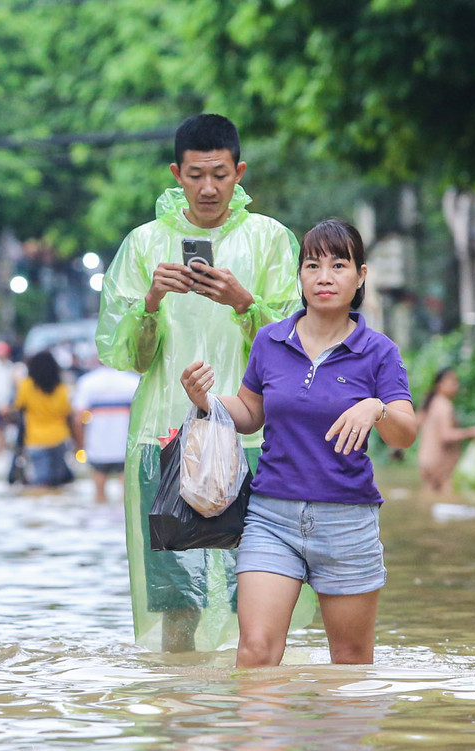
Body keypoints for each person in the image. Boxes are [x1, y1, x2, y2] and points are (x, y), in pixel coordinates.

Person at [96, 113, 304, 652]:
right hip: (165, 440)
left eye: (219, 173)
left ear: (239, 172)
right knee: (178, 605)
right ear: (176, 173)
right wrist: (150, 304)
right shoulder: (144, 245)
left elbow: (299, 347)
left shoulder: (272, 240)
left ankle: (248, 726)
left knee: (256, 596)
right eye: (195, 175)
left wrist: (245, 304)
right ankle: (181, 718)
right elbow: (129, 357)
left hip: (255, 439)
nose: (208, 187)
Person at [180, 218, 417, 667]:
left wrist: (376, 408)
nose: (324, 276)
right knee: (255, 652)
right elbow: (251, 415)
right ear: (300, 276)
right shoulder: (270, 341)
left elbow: (406, 430)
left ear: (361, 275)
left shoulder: (379, 351)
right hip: (272, 518)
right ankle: (261, 740)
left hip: (348, 522)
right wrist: (207, 400)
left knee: (349, 660)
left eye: (339, 264)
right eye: (312, 265)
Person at [72, 360, 141, 503]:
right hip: (125, 448)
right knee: (127, 497)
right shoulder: (132, 382)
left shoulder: (88, 382)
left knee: (98, 496)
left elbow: (78, 419)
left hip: (98, 448)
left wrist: (80, 444)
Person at [416, 367, 475, 495]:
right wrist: (473, 432)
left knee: (429, 498)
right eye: (452, 382)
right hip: (441, 464)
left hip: (425, 461)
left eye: (457, 382)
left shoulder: (429, 402)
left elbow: (415, 424)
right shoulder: (445, 405)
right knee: (448, 499)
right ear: (440, 384)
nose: (456, 386)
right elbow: (446, 435)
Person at [12, 350, 75, 487]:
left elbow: (18, 409)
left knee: (41, 483)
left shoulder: (26, 386)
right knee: (59, 484)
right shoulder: (62, 389)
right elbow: (68, 414)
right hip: (59, 438)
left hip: (35, 439)